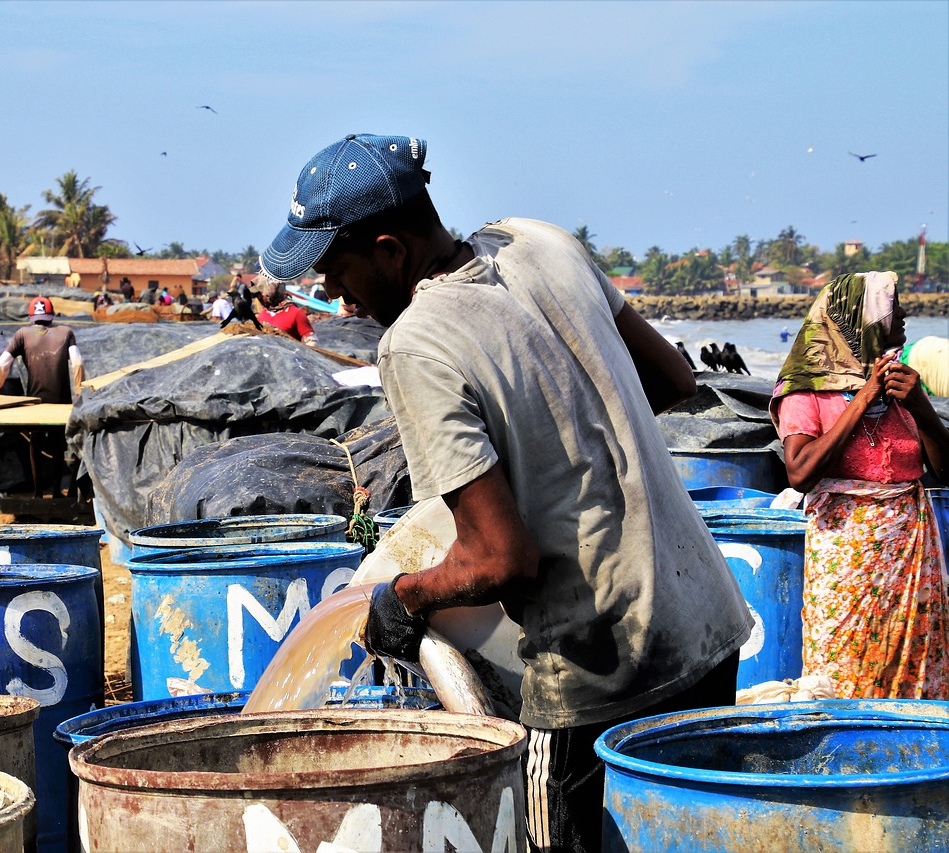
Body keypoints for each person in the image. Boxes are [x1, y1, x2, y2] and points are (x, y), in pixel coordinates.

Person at [260, 133, 752, 852]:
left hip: (603, 667)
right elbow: (674, 381)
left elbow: (502, 561)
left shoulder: (416, 343)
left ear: (391, 250)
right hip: (705, 623)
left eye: (337, 270)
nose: (333, 294)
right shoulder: (538, 241)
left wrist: (403, 597)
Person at [771, 271, 949, 700]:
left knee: (914, 673)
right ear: (856, 321)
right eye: (891, 308)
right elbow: (799, 471)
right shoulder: (808, 392)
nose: (903, 314)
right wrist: (864, 398)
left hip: (910, 560)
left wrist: (921, 408)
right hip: (845, 560)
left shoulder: (902, 382)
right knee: (842, 665)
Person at [0, 296, 85, 498]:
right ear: (51, 315)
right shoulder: (66, 332)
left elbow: (2, 365)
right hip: (61, 403)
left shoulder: (22, 334)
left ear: (32, 316)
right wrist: (80, 392)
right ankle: (58, 491)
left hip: (36, 403)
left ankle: (38, 492)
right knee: (60, 445)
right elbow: (77, 363)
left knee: (36, 444)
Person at [255, 277, 319, 346]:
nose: (262, 297)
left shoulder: (296, 313)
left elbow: (312, 342)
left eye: (264, 294)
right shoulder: (262, 314)